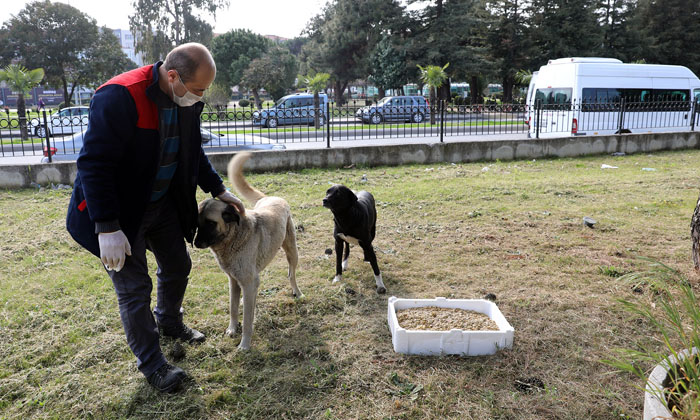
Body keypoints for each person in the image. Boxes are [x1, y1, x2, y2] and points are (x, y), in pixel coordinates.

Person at [66, 43, 245, 393]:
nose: (201, 97)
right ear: (173, 76)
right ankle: (153, 365)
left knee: (178, 265)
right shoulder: (120, 95)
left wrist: (218, 189)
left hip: (161, 204)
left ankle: (169, 321)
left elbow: (192, 152)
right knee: (135, 289)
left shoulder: (185, 101)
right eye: (198, 90)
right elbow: (94, 164)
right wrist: (107, 228)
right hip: (119, 214)